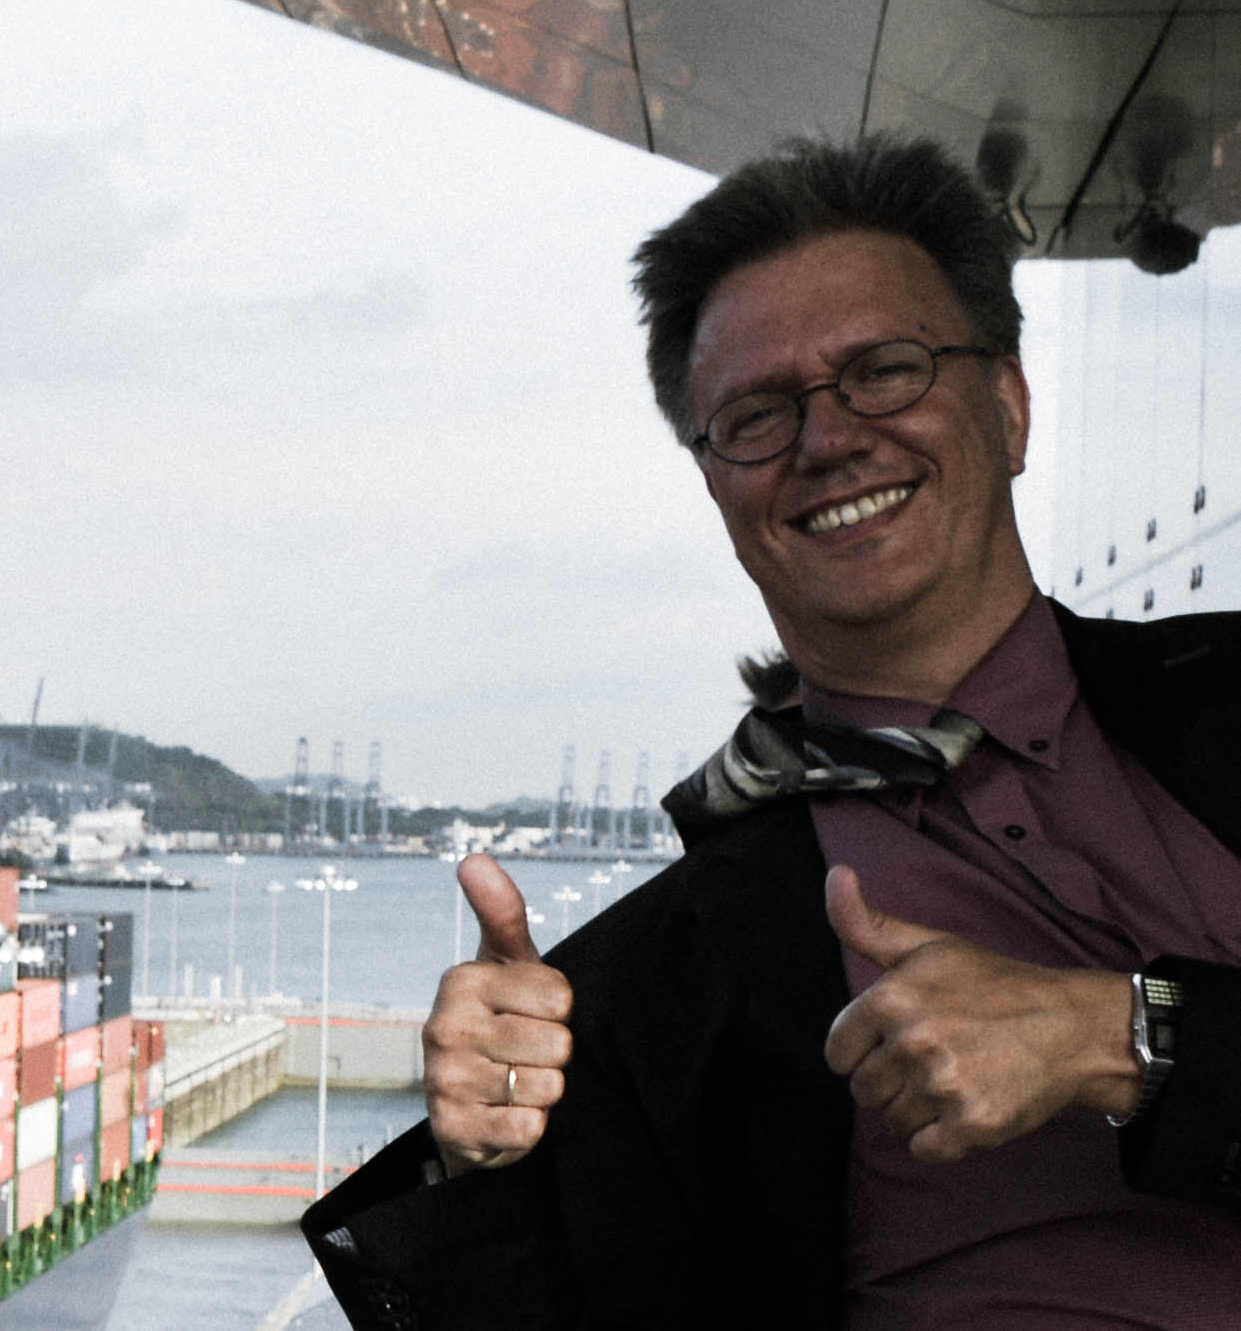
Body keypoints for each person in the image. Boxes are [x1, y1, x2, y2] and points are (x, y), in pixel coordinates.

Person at [299, 135, 1241, 1327]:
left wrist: (1126, 1036)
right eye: (756, 414)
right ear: (717, 487)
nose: (828, 439)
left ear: (1008, 408)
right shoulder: (657, 980)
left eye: (884, 369)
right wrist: (486, 1154)